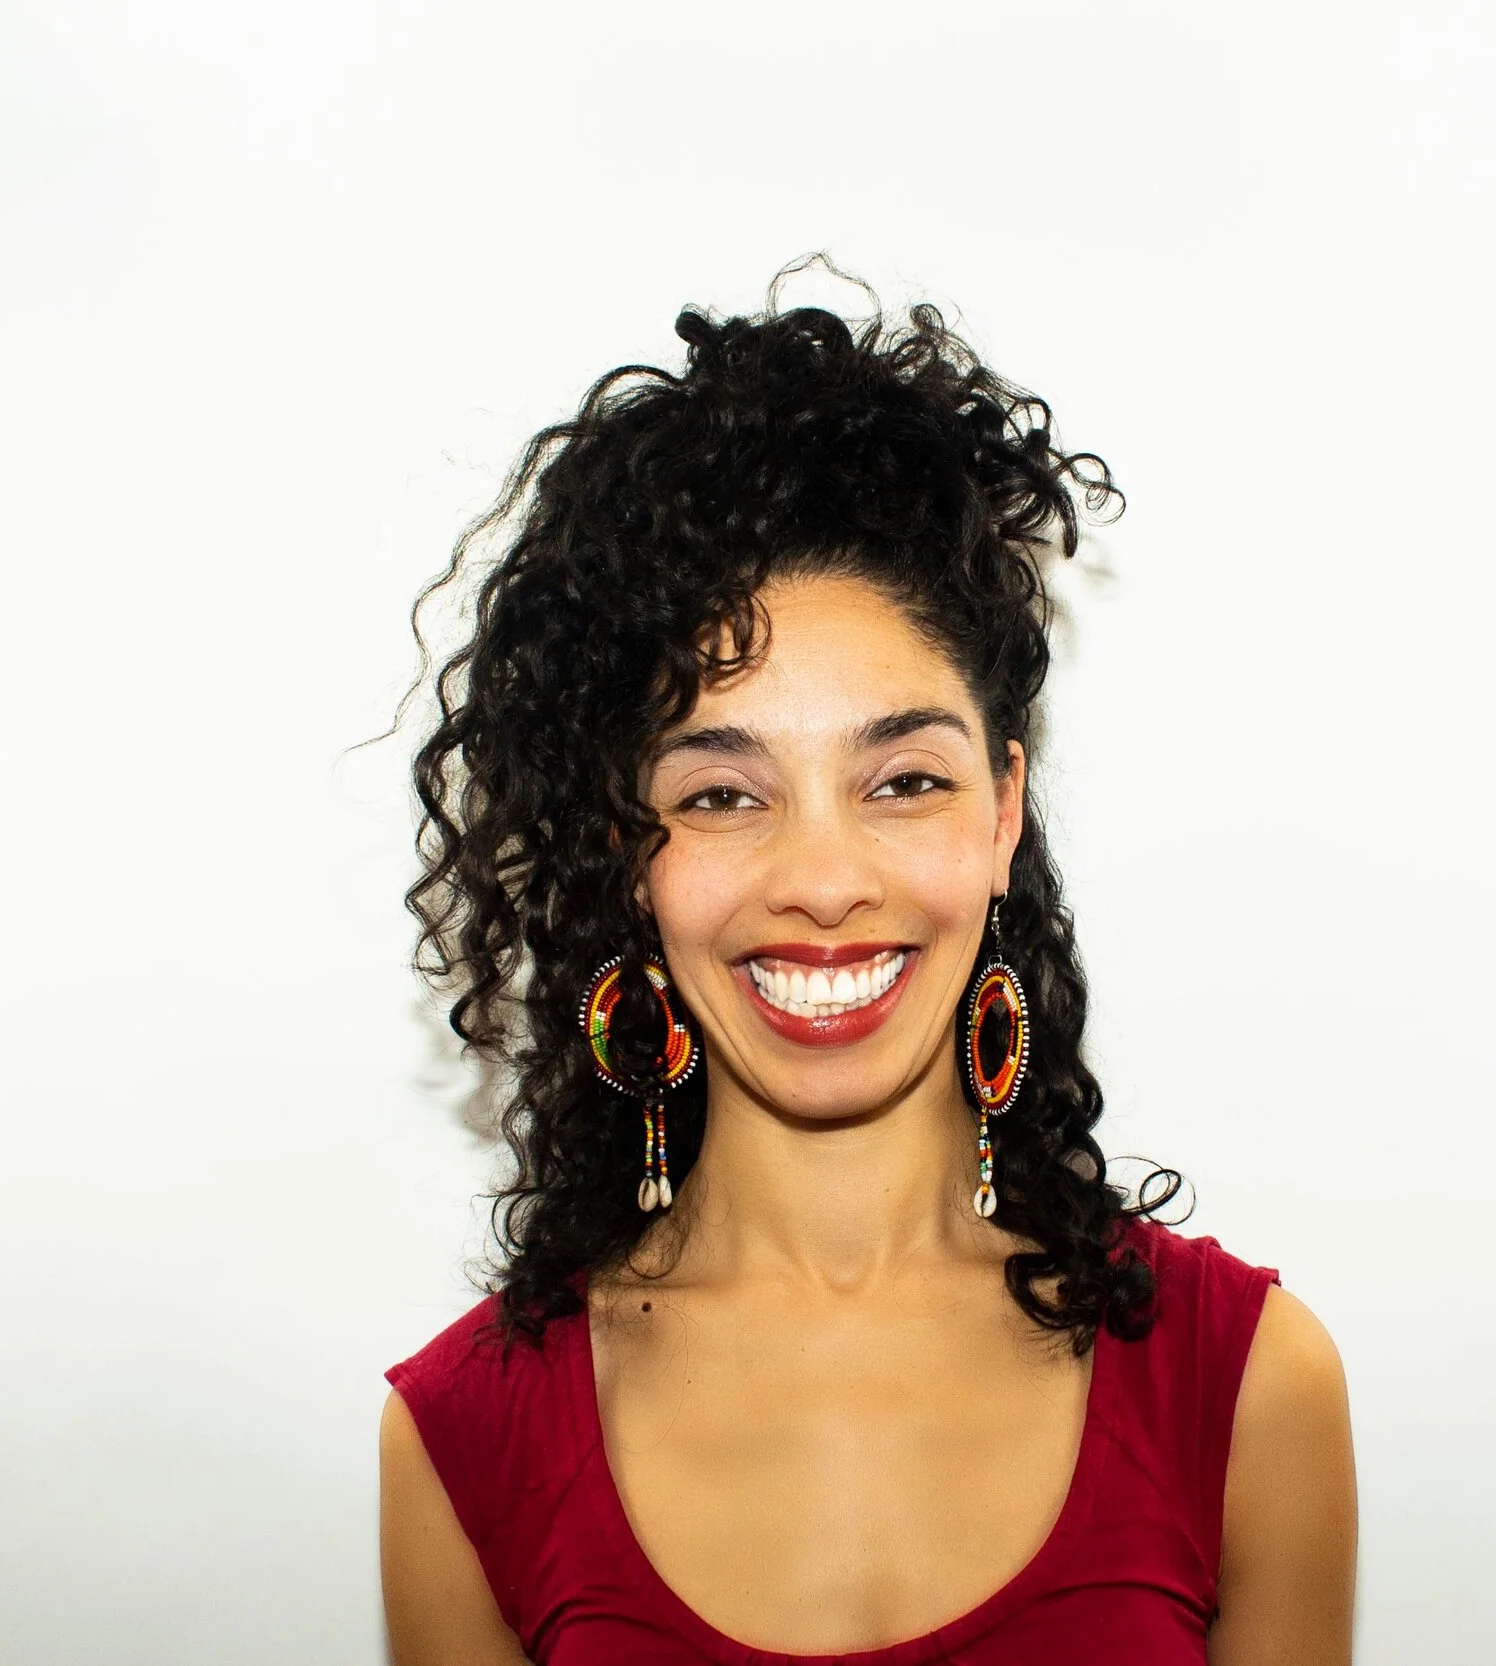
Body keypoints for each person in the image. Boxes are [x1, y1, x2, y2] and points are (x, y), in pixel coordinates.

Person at [379, 274, 1358, 1665]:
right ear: (625, 852)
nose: (825, 880)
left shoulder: (1250, 1383)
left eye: (903, 780)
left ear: (1004, 812)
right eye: (723, 794)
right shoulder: (460, 1440)